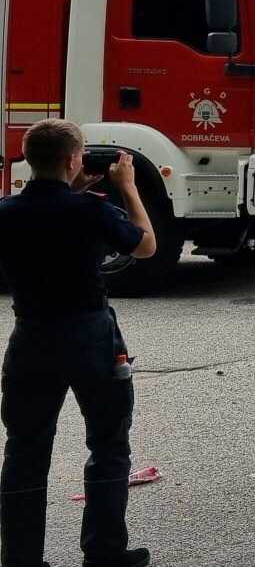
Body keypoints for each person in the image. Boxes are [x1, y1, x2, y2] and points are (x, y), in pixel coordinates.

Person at [0, 120, 156, 567]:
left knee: (25, 450)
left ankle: (21, 559)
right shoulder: (90, 210)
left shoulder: (6, 211)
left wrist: (69, 191)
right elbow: (145, 246)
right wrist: (128, 187)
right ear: (73, 160)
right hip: (90, 336)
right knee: (108, 445)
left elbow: (43, 217)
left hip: (31, 335)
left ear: (30, 159)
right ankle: (104, 552)